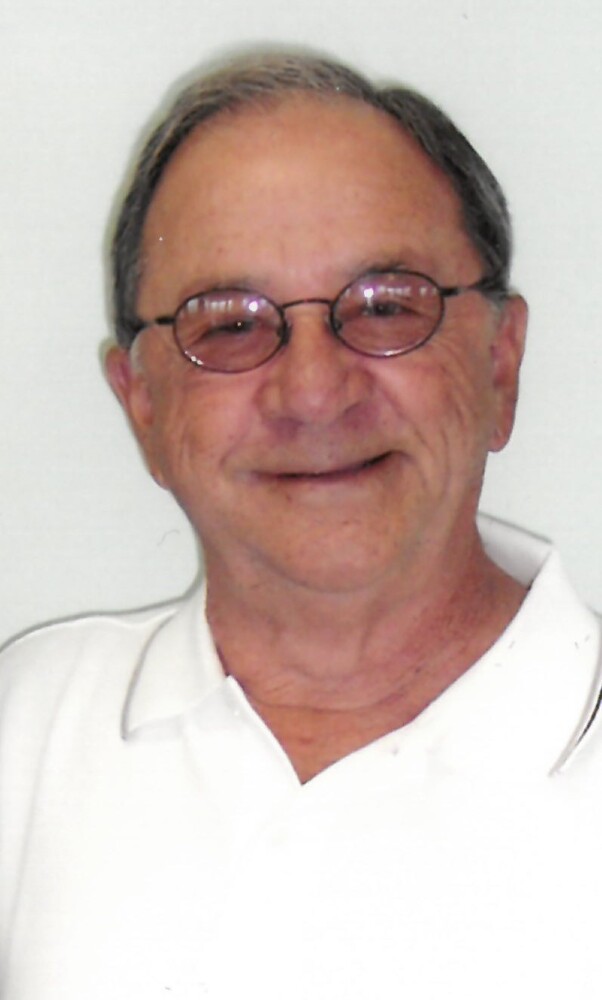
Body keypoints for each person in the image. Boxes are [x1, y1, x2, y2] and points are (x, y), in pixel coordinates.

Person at [1, 51, 601, 1000]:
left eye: (386, 306)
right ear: (142, 405)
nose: (315, 391)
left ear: (500, 363)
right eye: (230, 324)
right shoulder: (26, 730)